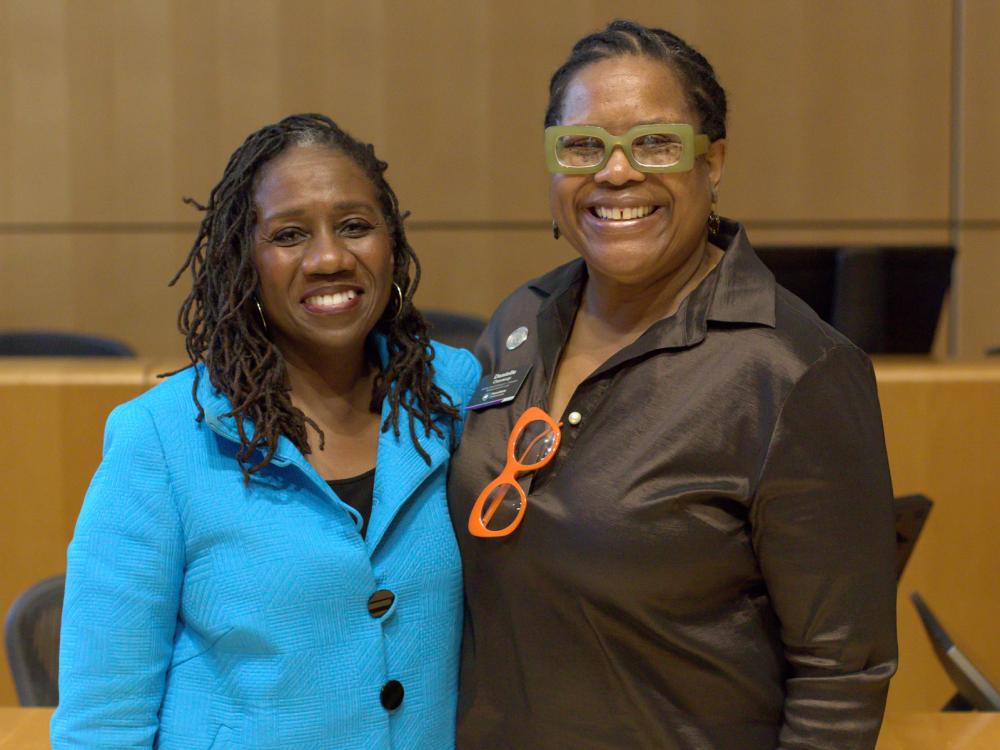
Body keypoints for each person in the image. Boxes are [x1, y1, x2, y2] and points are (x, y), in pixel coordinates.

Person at [448, 20, 897, 750]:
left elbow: (841, 676)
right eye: (583, 146)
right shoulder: (520, 318)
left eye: (655, 143)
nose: (616, 173)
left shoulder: (793, 371)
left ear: (712, 161)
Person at [52, 114, 480, 748]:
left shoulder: (454, 395)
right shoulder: (162, 438)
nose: (330, 257)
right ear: (244, 259)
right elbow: (104, 719)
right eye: (288, 234)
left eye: (355, 226)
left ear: (392, 243)